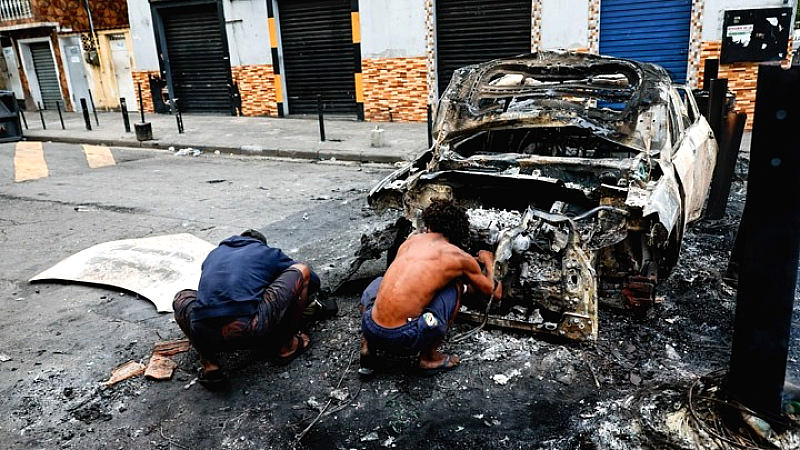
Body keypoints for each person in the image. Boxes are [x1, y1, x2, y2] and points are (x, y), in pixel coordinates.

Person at [358, 198, 501, 378]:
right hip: (403, 338)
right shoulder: (459, 257)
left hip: (370, 326)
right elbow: (495, 293)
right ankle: (428, 357)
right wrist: (489, 261)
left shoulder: (410, 242)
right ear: (458, 230)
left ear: (429, 223)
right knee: (455, 287)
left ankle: (367, 346)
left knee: (381, 282)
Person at [173, 229, 320, 390]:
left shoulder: (214, 254)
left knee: (181, 297)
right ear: (260, 243)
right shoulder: (267, 252)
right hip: (250, 327)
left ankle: (209, 365)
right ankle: (286, 346)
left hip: (203, 330)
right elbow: (313, 280)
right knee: (302, 271)